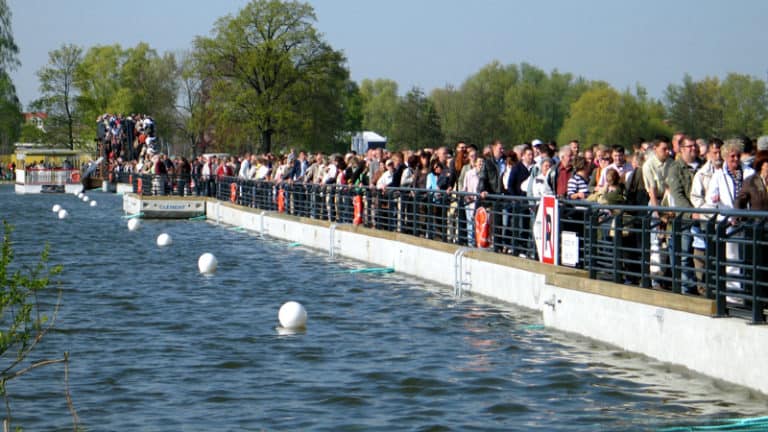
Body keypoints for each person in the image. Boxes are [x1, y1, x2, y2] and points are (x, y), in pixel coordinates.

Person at [666, 136, 702, 294]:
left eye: (694, 146)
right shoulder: (675, 168)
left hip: (704, 217)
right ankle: (686, 288)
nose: (693, 148)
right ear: (681, 149)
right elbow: (677, 194)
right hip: (685, 219)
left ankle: (701, 285)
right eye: (689, 146)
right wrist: (691, 212)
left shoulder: (702, 166)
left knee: (702, 255)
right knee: (684, 254)